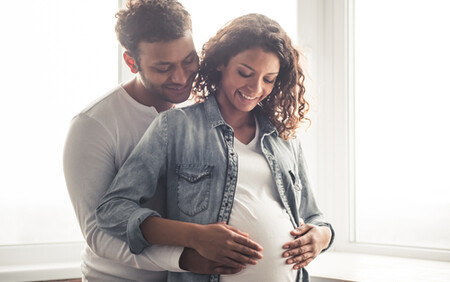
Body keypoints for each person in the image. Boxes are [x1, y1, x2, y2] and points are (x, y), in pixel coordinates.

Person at [96, 13, 334, 282]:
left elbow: (314, 215)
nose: (256, 88)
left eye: (269, 79)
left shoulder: (283, 136)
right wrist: (195, 237)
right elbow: (113, 210)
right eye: (245, 73)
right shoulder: (175, 127)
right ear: (221, 63)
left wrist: (322, 236)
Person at [63, 1, 260, 281]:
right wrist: (186, 258)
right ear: (132, 62)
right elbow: (98, 233)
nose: (181, 78)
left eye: (189, 60)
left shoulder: (200, 115)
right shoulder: (93, 126)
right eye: (163, 67)